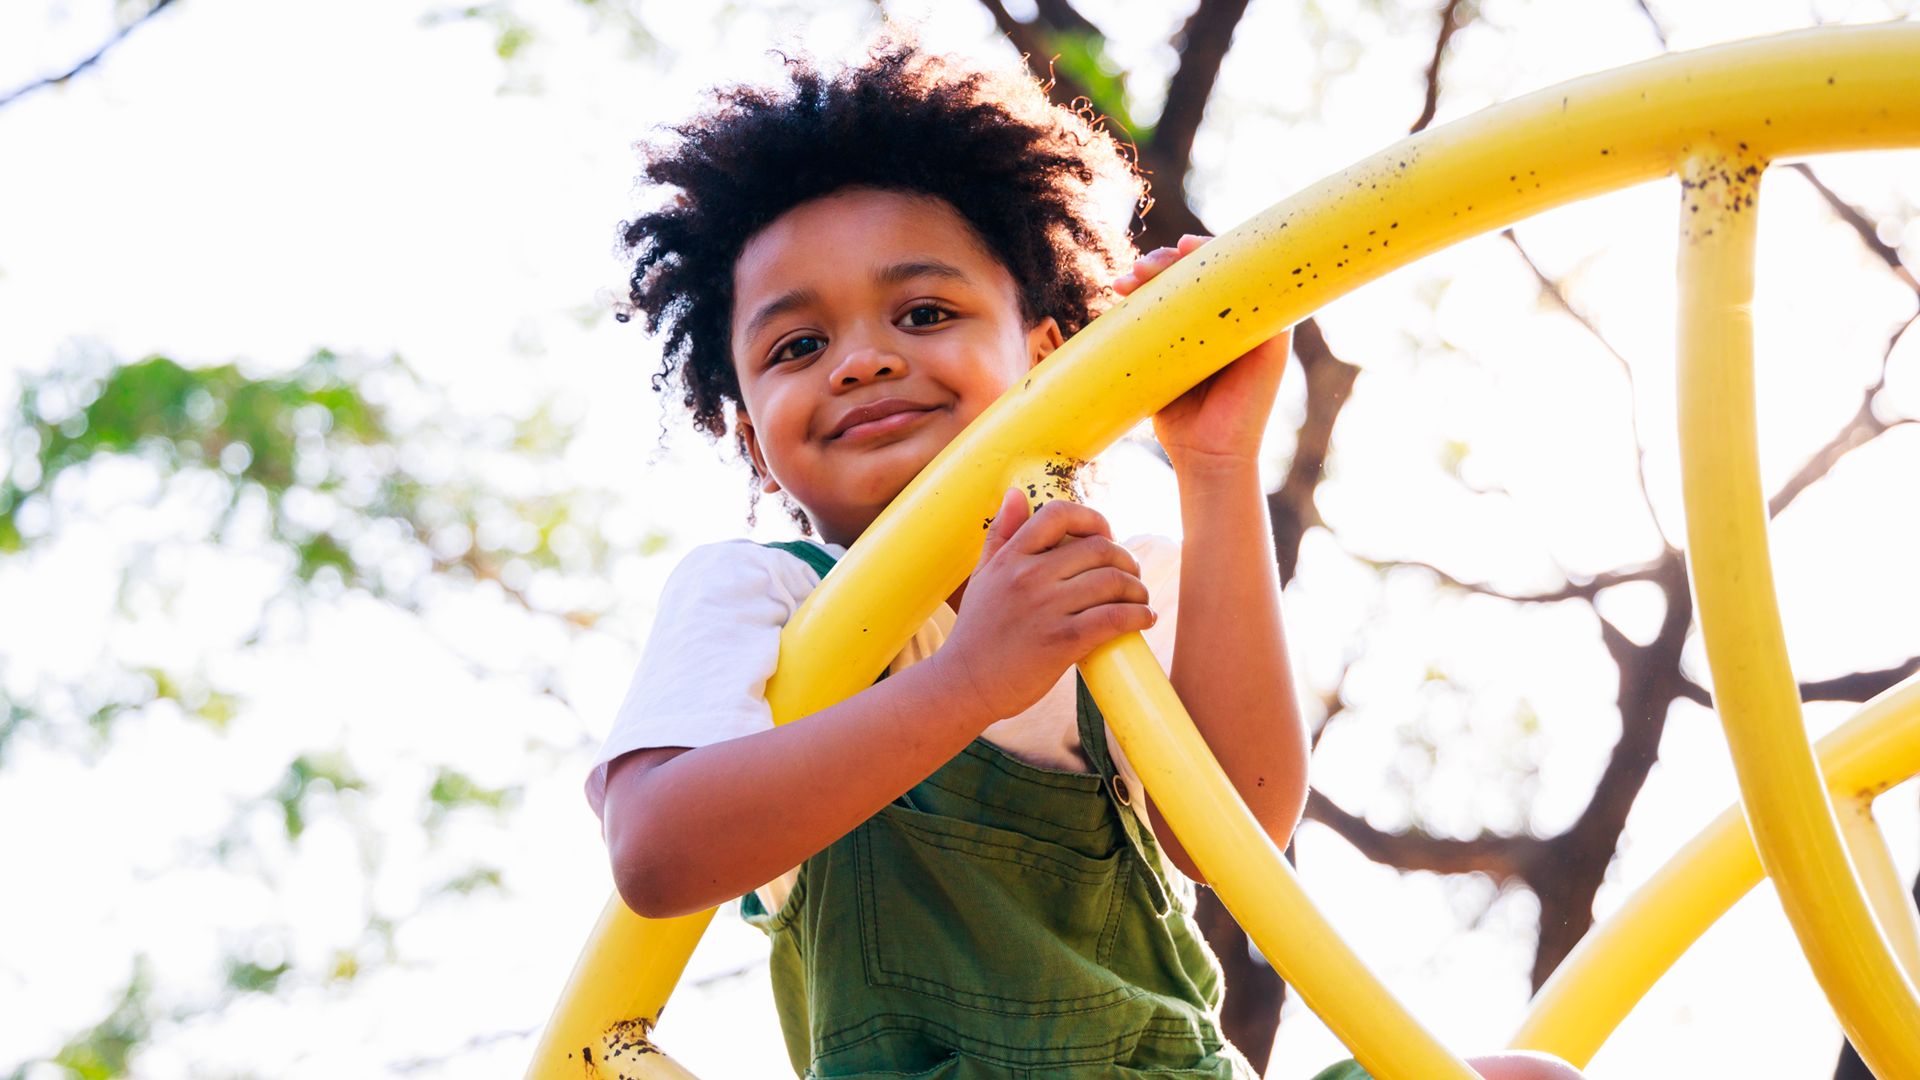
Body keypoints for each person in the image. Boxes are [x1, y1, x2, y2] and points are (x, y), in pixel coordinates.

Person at [589, 38, 1584, 1080]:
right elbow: (658, 851)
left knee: (1527, 1078)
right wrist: (971, 679)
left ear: (1050, 353)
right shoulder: (771, 597)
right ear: (751, 434)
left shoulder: (1115, 583)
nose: (864, 360)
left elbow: (1238, 833)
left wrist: (1216, 466)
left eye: (925, 313)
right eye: (797, 347)